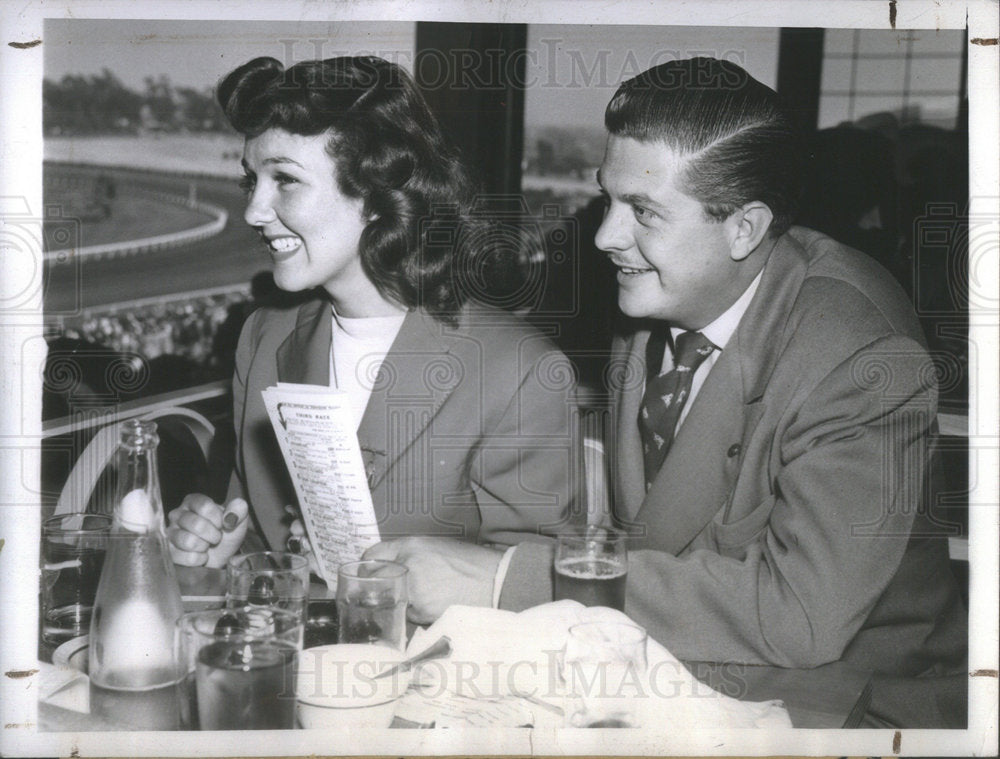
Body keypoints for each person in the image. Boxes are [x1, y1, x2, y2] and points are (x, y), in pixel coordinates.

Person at [369, 57, 967, 728]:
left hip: (850, 703)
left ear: (744, 227)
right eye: (608, 198)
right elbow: (661, 542)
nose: (604, 236)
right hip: (686, 667)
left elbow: (802, 616)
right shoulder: (657, 299)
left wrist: (500, 578)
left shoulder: (857, 352)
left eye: (643, 212)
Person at [167, 55, 579, 598]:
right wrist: (213, 557)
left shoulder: (518, 369)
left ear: (378, 195)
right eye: (252, 182)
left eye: (285, 180)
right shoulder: (262, 337)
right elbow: (254, 548)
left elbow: (538, 589)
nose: (253, 211)